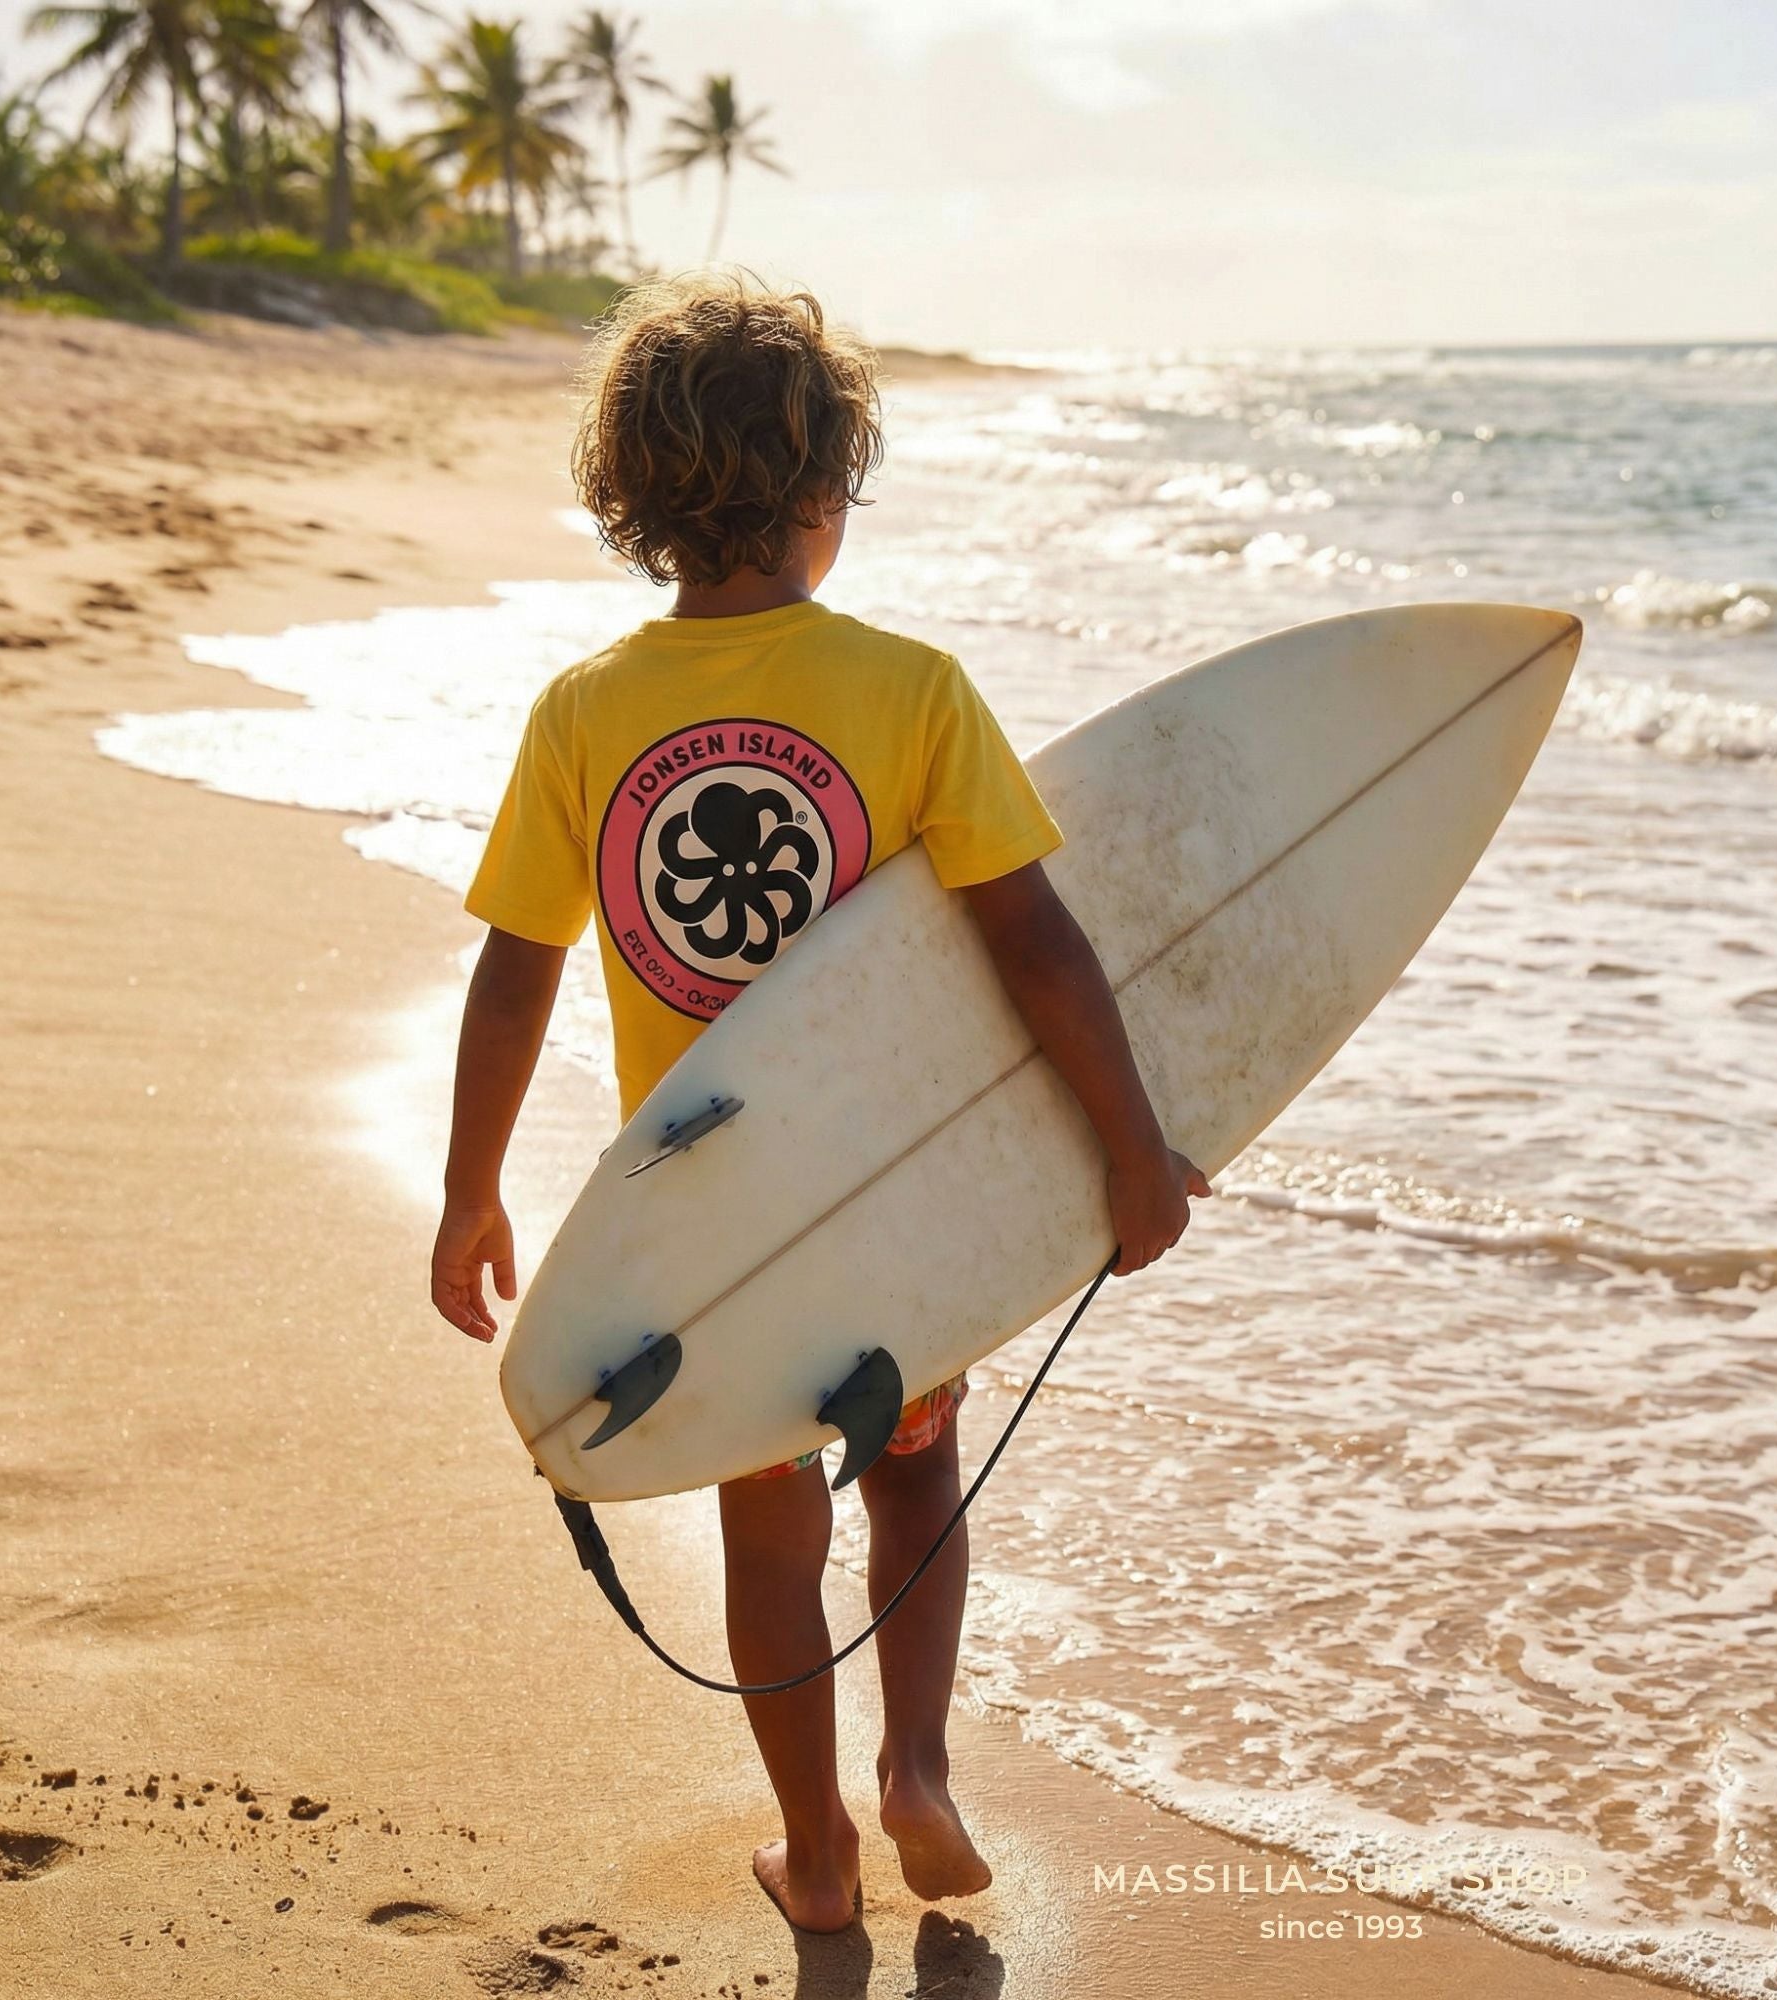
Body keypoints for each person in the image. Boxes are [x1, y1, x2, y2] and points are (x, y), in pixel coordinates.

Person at [430, 271, 1209, 1934]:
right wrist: (1131, 1155)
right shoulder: (913, 691)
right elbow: (1038, 952)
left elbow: (518, 974)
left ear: (633, 501)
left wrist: (472, 1191)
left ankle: (820, 1852)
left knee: (767, 1545)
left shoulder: (584, 714)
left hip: (723, 1231)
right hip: (899, 1202)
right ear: (823, 493)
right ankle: (917, 1770)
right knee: (917, 1478)